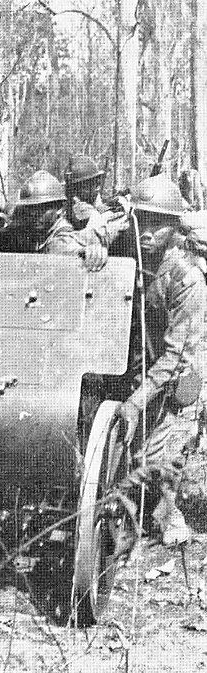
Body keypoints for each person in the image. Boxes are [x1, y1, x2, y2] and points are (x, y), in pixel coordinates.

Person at [116, 174, 206, 547]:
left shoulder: (186, 278)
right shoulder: (128, 254)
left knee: (158, 455)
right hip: (140, 363)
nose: (148, 232)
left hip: (177, 373)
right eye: (143, 221)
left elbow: (177, 354)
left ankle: (170, 518)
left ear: (174, 227)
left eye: (159, 223)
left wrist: (138, 400)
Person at [0, 168, 128, 271]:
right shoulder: (21, 228)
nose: (35, 214)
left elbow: (70, 249)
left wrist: (91, 252)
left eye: (43, 209)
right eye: (31, 208)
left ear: (59, 209)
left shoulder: (64, 236)